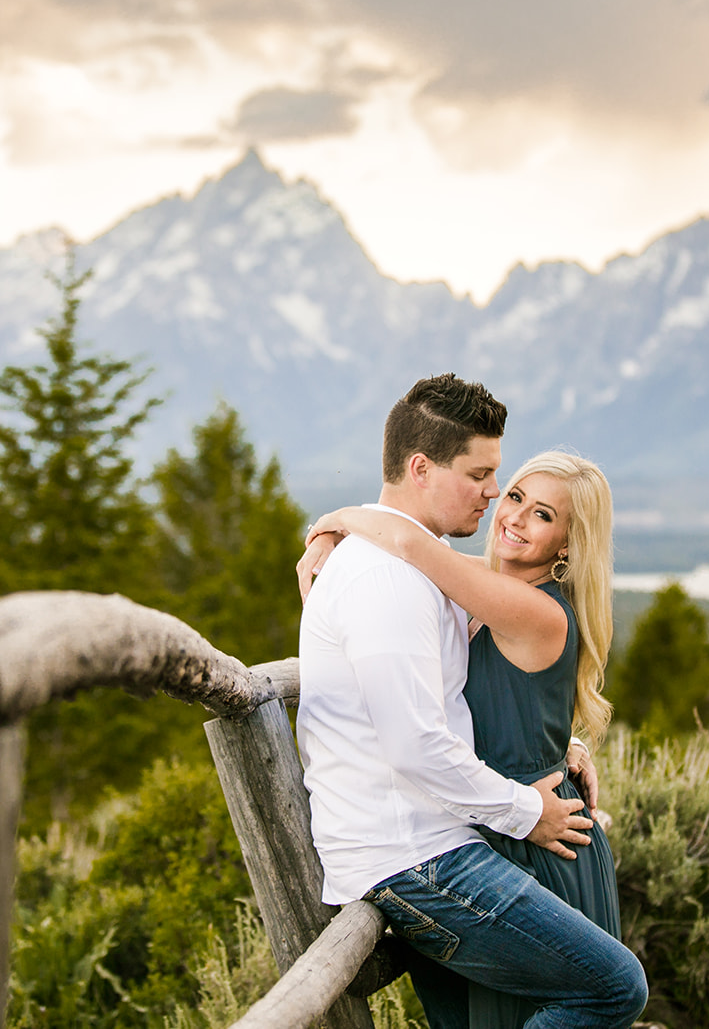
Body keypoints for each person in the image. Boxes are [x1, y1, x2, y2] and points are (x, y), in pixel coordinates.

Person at [295, 373, 646, 1029]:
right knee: (616, 987)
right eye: (486, 477)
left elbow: (468, 684)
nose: (496, 496)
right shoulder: (388, 576)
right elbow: (414, 744)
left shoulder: (430, 569)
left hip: (453, 835)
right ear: (422, 468)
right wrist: (525, 809)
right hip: (420, 852)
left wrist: (333, 523)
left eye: (530, 503)